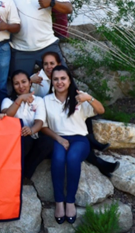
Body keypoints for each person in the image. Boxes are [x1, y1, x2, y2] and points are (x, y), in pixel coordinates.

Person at [31, 53, 119, 177]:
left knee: (77, 116)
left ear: (59, 65)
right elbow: (23, 91)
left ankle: (92, 144)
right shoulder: (37, 79)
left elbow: (79, 100)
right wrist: (30, 81)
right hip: (48, 122)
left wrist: (88, 99)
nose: (49, 67)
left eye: (52, 63)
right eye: (46, 64)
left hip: (67, 123)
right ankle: (99, 161)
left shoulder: (65, 80)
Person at [42, 65, 105, 224]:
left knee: (72, 158)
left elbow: (101, 110)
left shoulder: (79, 98)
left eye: (63, 78)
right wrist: (59, 139)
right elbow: (42, 126)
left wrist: (89, 98)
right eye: (56, 79)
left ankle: (70, 201)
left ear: (69, 80)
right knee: (57, 159)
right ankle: (59, 202)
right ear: (52, 81)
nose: (59, 82)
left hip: (79, 140)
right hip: (58, 138)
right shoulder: (46, 100)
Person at [7, 0, 72, 77]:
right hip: (21, 50)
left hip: (47, 46)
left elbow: (68, 8)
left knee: (64, 81)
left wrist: (51, 2)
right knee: (20, 88)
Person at [1, 70, 54, 179]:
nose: (21, 86)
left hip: (33, 136)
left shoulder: (38, 100)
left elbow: (40, 122)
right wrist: (20, 99)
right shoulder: (8, 100)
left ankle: (25, 175)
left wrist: (31, 130)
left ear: (30, 83)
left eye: (24, 82)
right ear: (13, 86)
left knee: (47, 142)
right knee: (26, 140)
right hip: (14, 141)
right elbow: (7, 115)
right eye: (16, 83)